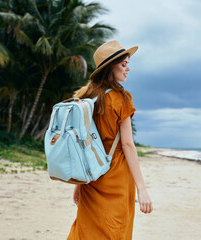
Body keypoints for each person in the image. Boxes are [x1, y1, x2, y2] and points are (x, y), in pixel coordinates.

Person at [67, 40, 153, 240]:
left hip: (92, 175)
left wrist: (79, 184)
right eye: (123, 64)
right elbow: (128, 144)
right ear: (110, 68)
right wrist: (142, 188)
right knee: (116, 230)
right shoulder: (123, 98)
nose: (128, 68)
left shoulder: (85, 97)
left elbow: (84, 143)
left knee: (87, 230)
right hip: (116, 176)